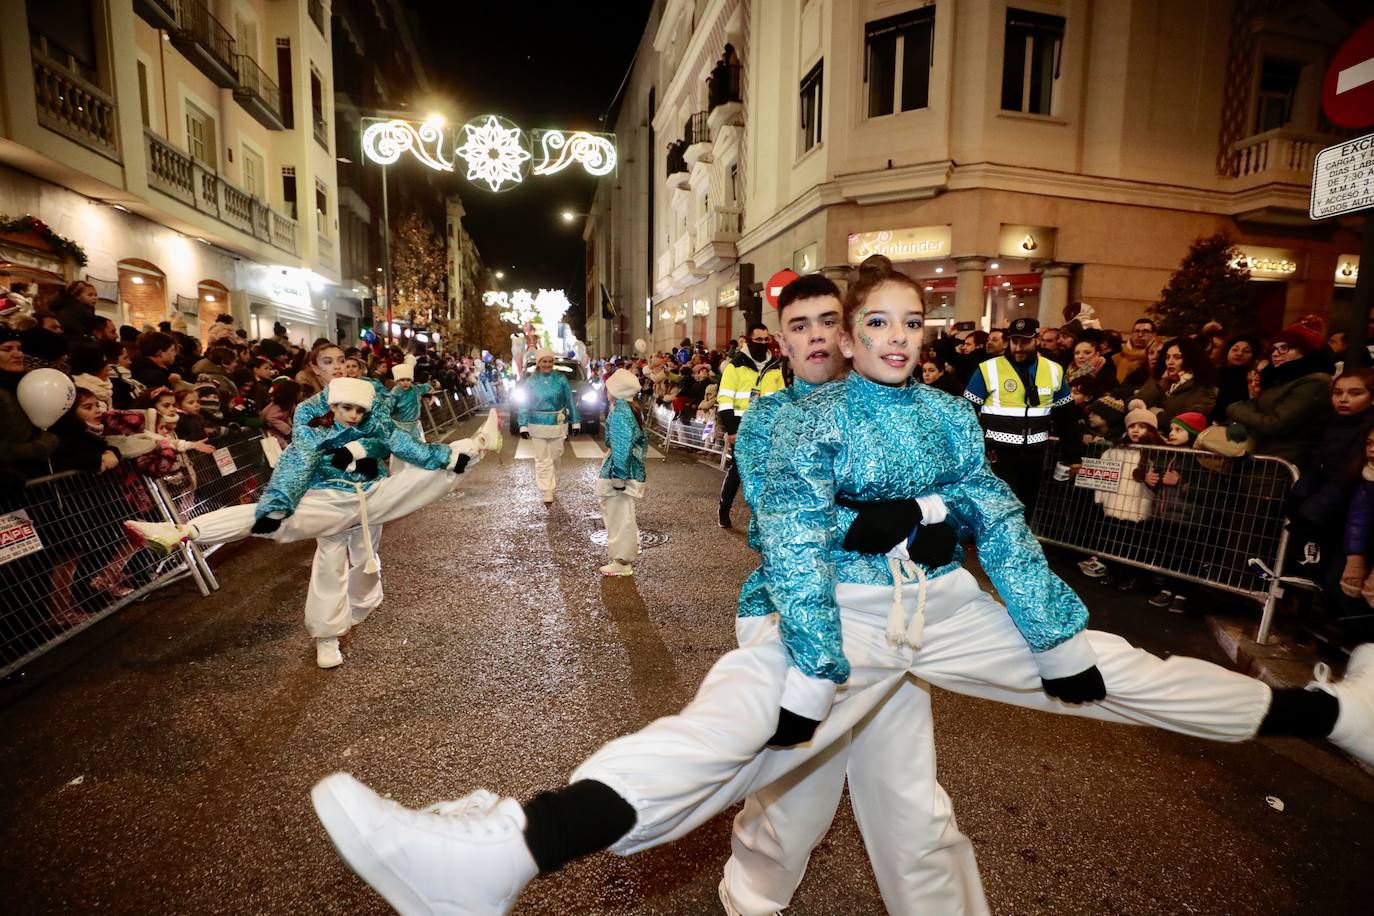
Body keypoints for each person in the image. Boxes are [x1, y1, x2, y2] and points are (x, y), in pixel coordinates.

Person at [309, 256, 1374, 916]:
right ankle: (509, 850)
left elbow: (987, 510)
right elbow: (802, 541)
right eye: (844, 325)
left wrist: (1041, 626)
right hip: (831, 623)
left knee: (1045, 720)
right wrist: (818, 657)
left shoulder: (949, 412)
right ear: (803, 339)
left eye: (898, 321)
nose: (869, 338)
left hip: (941, 615)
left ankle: (1332, 712)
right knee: (743, 743)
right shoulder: (785, 416)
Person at [724, 272, 976, 915]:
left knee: (911, 799)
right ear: (780, 342)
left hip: (891, 620)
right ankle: (750, 898)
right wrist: (886, 520)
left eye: (827, 321)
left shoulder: (905, 408)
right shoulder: (771, 418)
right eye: (798, 326)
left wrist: (933, 515)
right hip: (796, 620)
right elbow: (779, 521)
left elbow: (966, 493)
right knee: (796, 799)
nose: (816, 338)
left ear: (850, 328)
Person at [125, 380, 503, 668]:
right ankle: (185, 532)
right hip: (328, 503)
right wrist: (281, 504)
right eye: (345, 408)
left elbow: (417, 453)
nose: (353, 415)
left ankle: (478, 445)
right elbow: (296, 468)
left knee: (390, 524)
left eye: (359, 409)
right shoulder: (311, 432)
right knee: (316, 552)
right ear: (332, 404)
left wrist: (406, 457)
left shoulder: (379, 426)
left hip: (370, 500)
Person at [963, 316, 1077, 518]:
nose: (1018, 348)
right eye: (1015, 341)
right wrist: (972, 451)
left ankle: (1021, 549)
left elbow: (1066, 416)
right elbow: (966, 413)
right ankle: (999, 549)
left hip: (1035, 454)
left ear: (1037, 340)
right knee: (1002, 511)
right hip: (997, 454)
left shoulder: (1053, 370)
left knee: (1026, 509)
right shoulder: (988, 369)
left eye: (1025, 342)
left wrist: (1072, 456)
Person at [1226, 323, 1334, 463]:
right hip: (1261, 452)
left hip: (1284, 457)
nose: (1276, 354)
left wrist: (1233, 409)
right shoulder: (1279, 377)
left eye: (1284, 348)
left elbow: (1275, 423)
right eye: (1273, 349)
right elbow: (1255, 407)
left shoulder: (1315, 381)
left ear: (1304, 350)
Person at [717, 323, 784, 528]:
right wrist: (732, 430)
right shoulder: (735, 367)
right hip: (742, 427)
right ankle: (723, 509)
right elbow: (725, 399)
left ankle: (763, 517)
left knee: (767, 471)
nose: (763, 344)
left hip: (766, 428)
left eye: (767, 340)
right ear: (748, 341)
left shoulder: (775, 367)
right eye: (759, 340)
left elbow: (781, 399)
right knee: (738, 471)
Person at [597, 369, 647, 577]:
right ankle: (624, 555)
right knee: (623, 514)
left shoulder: (619, 412)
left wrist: (618, 476)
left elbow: (620, 446)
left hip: (620, 472)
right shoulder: (631, 409)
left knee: (619, 516)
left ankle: (622, 561)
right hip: (628, 468)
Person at [518, 348, 580, 504]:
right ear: (538, 363)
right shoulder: (530, 381)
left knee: (555, 457)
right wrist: (523, 424)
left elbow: (569, 401)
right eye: (544, 361)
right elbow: (524, 403)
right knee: (542, 458)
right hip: (536, 423)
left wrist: (576, 421)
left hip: (557, 423)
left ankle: (552, 483)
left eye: (550, 361)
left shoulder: (561, 379)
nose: (547, 364)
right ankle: (547, 489)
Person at [1132, 336, 1217, 424]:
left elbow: (1185, 422)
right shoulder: (1159, 379)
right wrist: (1160, 387)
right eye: (1167, 357)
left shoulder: (1204, 388)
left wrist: (1150, 414)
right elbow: (1132, 405)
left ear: (1190, 360)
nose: (1170, 362)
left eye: (1177, 357)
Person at [388, 357, 433, 442]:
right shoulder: (395, 393)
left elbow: (423, 388)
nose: (405, 382)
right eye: (402, 380)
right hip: (400, 425)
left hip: (415, 425)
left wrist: (429, 386)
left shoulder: (414, 389)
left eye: (408, 380)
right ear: (397, 380)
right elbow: (389, 407)